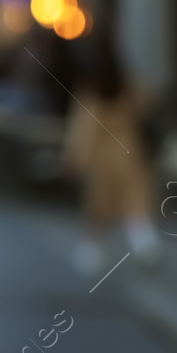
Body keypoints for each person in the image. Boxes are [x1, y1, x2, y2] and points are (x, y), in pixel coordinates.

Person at [62, 39, 160, 274]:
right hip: (128, 150)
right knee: (135, 201)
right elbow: (146, 107)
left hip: (101, 154)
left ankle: (91, 255)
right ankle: (145, 245)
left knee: (99, 206)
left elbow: (83, 128)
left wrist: (73, 156)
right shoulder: (128, 86)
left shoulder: (91, 91)